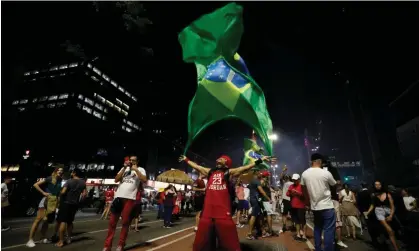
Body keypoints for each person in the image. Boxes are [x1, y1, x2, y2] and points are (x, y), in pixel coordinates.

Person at [179, 154, 270, 251]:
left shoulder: (229, 172)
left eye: (222, 158)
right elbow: (197, 167)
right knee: (201, 243)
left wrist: (260, 160)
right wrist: (186, 159)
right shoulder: (210, 171)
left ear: (226, 163)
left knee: (229, 242)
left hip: (222, 212)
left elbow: (246, 167)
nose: (219, 158)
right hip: (208, 212)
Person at [103, 156, 147, 251]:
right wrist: (123, 168)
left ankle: (121, 244)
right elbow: (116, 179)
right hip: (118, 197)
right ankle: (107, 246)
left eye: (133, 160)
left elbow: (144, 179)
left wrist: (136, 170)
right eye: (130, 160)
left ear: (137, 161)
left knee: (125, 222)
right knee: (112, 223)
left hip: (130, 198)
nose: (131, 161)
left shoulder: (140, 169)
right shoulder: (125, 168)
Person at [301, 153, 336, 251]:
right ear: (319, 161)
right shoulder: (325, 173)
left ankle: (318, 248)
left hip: (315, 207)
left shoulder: (304, 174)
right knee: (328, 230)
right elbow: (334, 184)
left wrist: (308, 203)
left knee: (317, 228)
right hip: (327, 206)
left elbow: (304, 190)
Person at [27, 167, 64, 248]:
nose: (60, 172)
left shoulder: (60, 180)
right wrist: (43, 192)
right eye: (59, 170)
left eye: (62, 171)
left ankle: (42, 237)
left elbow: (57, 192)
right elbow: (35, 185)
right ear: (55, 171)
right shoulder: (50, 178)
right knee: (38, 220)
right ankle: (30, 240)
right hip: (46, 201)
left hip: (54, 202)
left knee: (46, 221)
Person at [364, 180, 399, 251]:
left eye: (379, 184)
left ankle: (395, 247)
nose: (377, 186)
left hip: (388, 210)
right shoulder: (374, 195)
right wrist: (367, 212)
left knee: (391, 230)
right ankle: (395, 248)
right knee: (389, 230)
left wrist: (391, 216)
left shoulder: (387, 194)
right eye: (376, 184)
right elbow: (372, 205)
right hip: (379, 211)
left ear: (382, 185)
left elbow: (392, 206)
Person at [55, 168, 86, 247]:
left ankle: (61, 241)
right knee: (70, 222)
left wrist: (60, 192)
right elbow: (84, 194)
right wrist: (79, 202)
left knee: (62, 221)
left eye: (72, 172)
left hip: (66, 203)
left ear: (74, 173)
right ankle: (69, 238)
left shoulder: (69, 181)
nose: (71, 173)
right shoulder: (83, 183)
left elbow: (63, 192)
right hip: (74, 204)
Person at [323, 158, 348, 248]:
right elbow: (338, 183)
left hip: (329, 199)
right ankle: (336, 240)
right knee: (334, 221)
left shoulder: (328, 170)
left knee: (334, 221)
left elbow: (338, 182)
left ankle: (336, 240)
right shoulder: (326, 170)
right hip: (329, 199)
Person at [247, 170, 272, 240]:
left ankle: (262, 231)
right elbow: (261, 191)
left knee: (259, 215)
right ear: (256, 174)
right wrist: (268, 198)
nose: (260, 174)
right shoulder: (257, 181)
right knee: (254, 216)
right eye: (259, 173)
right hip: (256, 200)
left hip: (253, 199)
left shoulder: (252, 181)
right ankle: (249, 233)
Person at [287, 173, 307, 241]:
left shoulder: (302, 186)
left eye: (295, 180)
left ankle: (304, 235)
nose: (294, 181)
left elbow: (305, 195)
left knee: (303, 221)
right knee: (296, 221)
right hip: (293, 206)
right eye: (293, 180)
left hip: (301, 206)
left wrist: (297, 193)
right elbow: (287, 194)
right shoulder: (291, 186)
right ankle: (298, 234)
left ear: (299, 180)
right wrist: (291, 193)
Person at [260, 171, 274, 238]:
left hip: (265, 200)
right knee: (267, 216)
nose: (269, 176)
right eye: (268, 175)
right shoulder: (263, 181)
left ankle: (266, 231)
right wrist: (269, 199)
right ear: (266, 176)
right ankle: (268, 231)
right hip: (266, 200)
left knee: (265, 216)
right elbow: (262, 191)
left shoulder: (265, 182)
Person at [279, 166, 293, 233]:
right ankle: (292, 225)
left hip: (286, 200)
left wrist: (283, 171)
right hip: (291, 200)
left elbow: (280, 177)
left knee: (284, 214)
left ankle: (284, 226)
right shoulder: (292, 183)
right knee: (293, 214)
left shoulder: (284, 184)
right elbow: (281, 178)